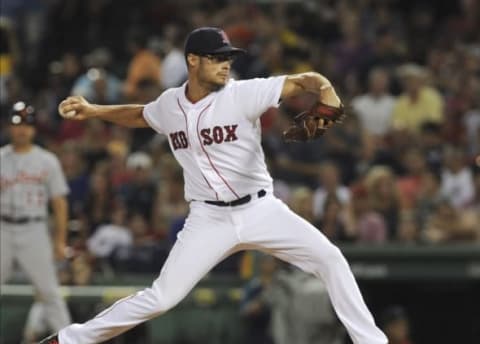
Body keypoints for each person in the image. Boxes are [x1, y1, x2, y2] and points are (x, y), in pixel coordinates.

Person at [41, 27, 387, 344]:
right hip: (208, 218)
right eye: (217, 58)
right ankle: (69, 341)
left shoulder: (243, 93)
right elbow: (140, 114)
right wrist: (94, 110)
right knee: (162, 297)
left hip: (260, 209)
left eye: (228, 58)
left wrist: (327, 92)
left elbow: (308, 80)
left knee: (331, 259)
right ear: (193, 60)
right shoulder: (170, 105)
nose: (225, 64)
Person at [0, 102, 71, 339]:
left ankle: (70, 341)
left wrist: (60, 241)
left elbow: (59, 203)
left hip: (34, 230)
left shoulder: (47, 161)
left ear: (34, 129)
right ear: (10, 127)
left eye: (27, 125)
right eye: (17, 124)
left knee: (50, 293)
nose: (22, 130)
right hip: (3, 229)